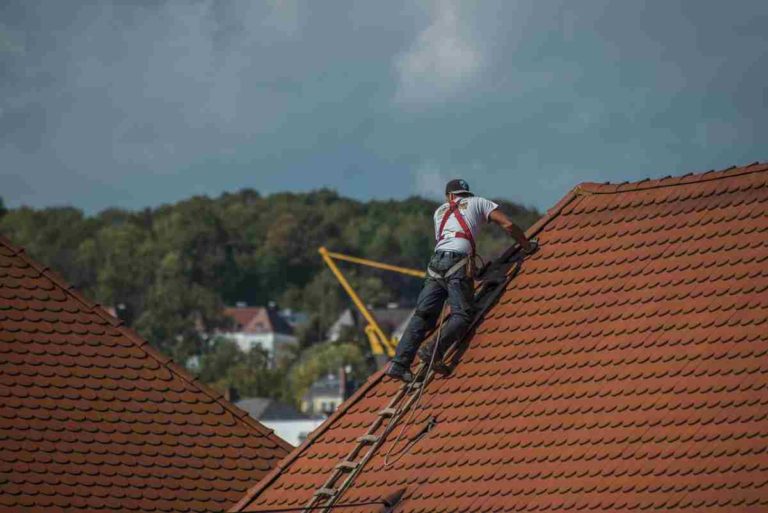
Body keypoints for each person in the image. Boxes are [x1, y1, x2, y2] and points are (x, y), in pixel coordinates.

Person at [385, 178, 534, 382]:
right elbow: (507, 225)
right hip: (457, 262)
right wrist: (526, 245)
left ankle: (399, 363)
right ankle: (432, 351)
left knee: (423, 315)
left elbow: (448, 238)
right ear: (466, 194)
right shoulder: (479, 202)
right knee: (462, 315)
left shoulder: (439, 212)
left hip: (436, 264)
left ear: (449, 196)